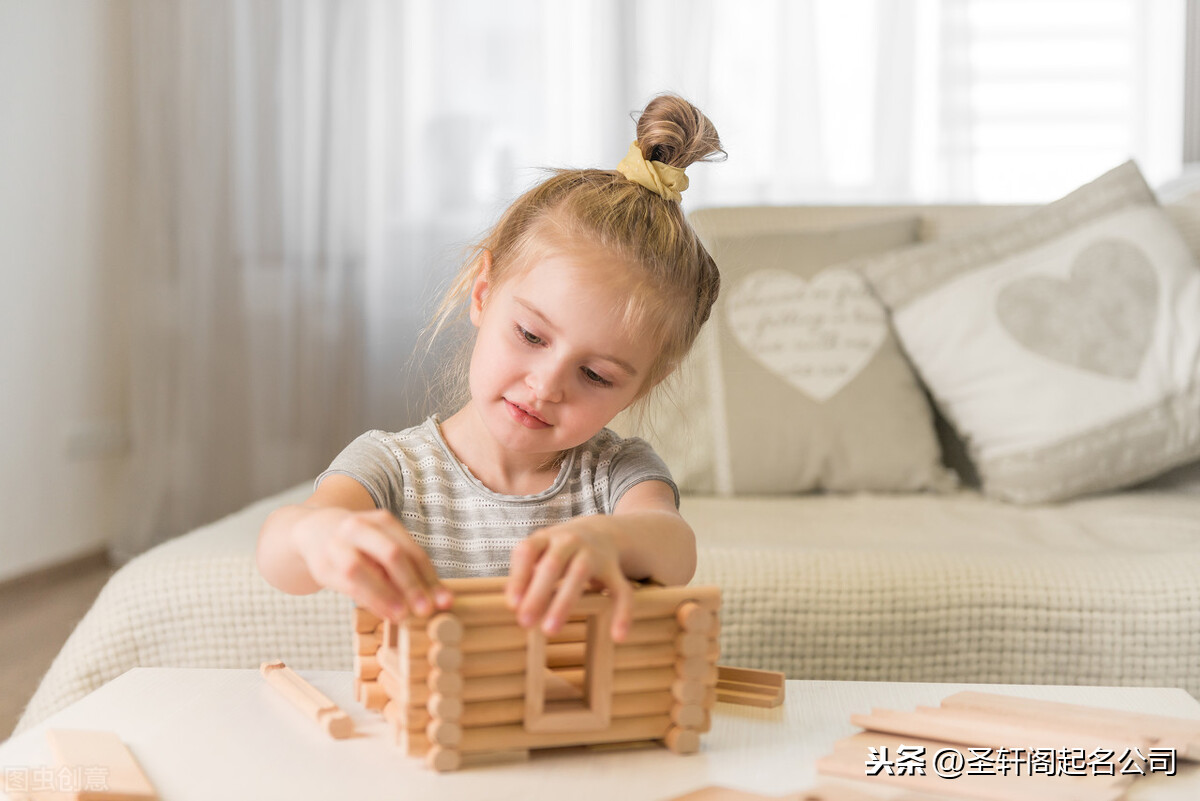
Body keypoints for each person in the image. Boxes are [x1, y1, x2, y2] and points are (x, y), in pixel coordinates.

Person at [256, 93, 724, 642]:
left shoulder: (616, 476)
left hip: (566, 723)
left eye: (596, 375)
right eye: (530, 335)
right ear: (482, 293)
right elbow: (279, 552)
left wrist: (609, 541)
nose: (546, 385)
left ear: (647, 383)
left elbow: (674, 546)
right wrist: (320, 537)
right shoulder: (393, 468)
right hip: (431, 721)